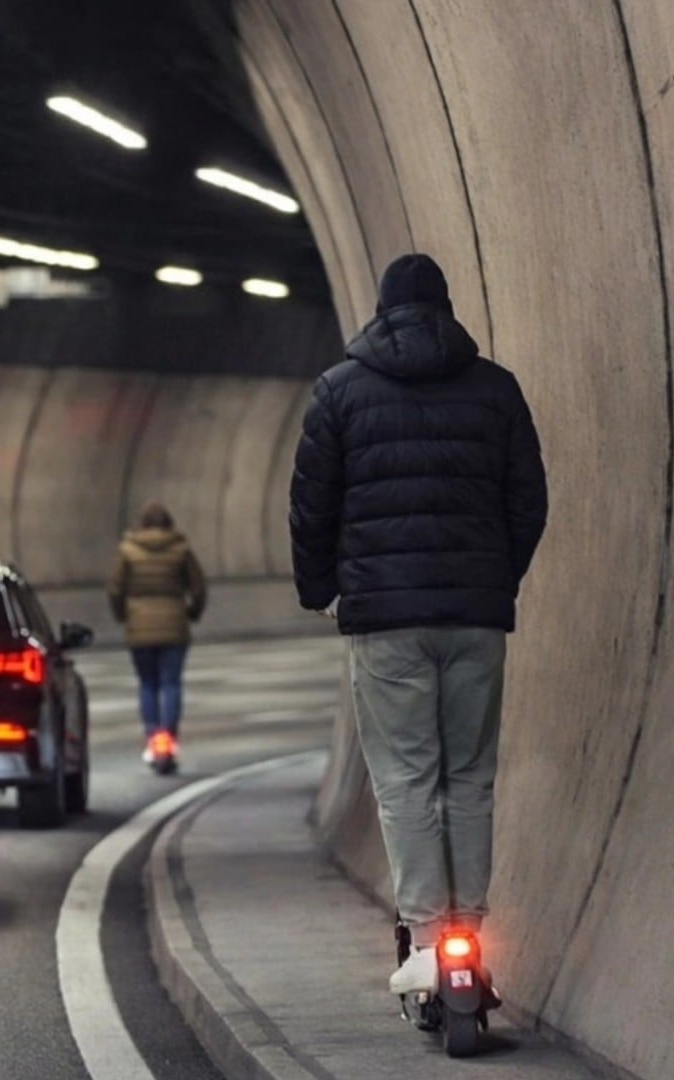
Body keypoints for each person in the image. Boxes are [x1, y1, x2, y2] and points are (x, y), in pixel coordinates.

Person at [288, 253, 548, 994]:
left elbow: (313, 505)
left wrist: (322, 591)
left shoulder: (338, 392)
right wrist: (496, 577)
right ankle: (471, 925)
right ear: (445, 309)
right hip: (474, 618)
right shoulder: (496, 391)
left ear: (380, 311)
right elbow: (528, 499)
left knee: (405, 779)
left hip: (385, 619)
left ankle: (430, 940)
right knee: (469, 776)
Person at [107, 501, 208, 768]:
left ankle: (154, 737)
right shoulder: (181, 549)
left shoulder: (127, 551)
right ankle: (169, 739)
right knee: (171, 683)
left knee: (148, 683)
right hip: (174, 625)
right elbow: (198, 587)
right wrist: (193, 613)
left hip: (139, 627)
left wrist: (122, 615)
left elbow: (115, 589)